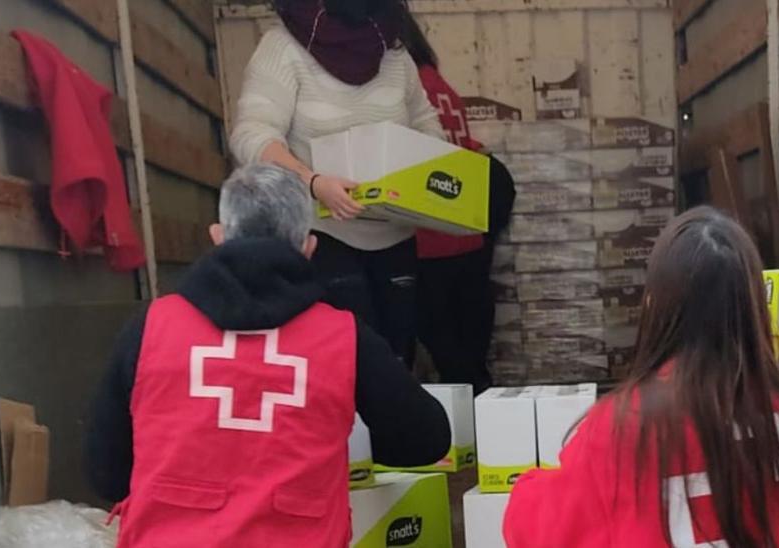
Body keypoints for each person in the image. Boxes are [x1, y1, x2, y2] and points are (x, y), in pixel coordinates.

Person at [85, 165, 452, 547]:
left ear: (218, 236)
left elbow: (106, 475)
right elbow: (427, 440)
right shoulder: (344, 337)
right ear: (309, 247)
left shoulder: (150, 327)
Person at [503, 207, 779, 547]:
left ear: (654, 304)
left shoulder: (624, 426)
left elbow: (540, 531)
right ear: (755, 303)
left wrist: (528, 483)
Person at [229, 0, 448, 367]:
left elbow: (427, 124)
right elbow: (251, 135)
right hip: (324, 233)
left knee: (396, 359)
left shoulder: (394, 55)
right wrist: (312, 182)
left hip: (394, 234)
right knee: (347, 358)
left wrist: (428, 173)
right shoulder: (282, 48)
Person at [397, 11, 515, 393]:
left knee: (445, 345)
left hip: (430, 237)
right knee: (467, 346)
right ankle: (479, 418)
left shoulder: (406, 85)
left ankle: (466, 424)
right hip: (464, 230)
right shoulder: (439, 84)